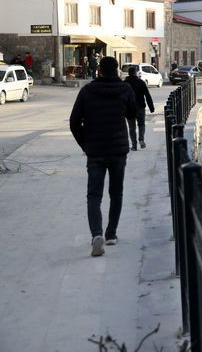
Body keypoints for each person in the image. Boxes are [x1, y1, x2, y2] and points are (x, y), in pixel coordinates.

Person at [69, 56, 136, 257]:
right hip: (118, 151)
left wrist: (85, 144)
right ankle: (111, 234)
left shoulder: (87, 91)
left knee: (94, 195)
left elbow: (74, 122)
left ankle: (96, 235)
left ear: (99, 70)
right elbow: (132, 114)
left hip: (95, 151)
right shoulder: (125, 89)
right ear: (116, 70)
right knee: (116, 193)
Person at [124, 65, 155, 151]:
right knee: (141, 124)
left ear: (128, 73)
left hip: (129, 108)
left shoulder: (125, 83)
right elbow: (147, 95)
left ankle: (134, 145)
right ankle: (141, 139)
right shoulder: (141, 82)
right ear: (135, 73)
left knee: (131, 127)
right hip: (140, 107)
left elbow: (121, 97)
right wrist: (151, 107)